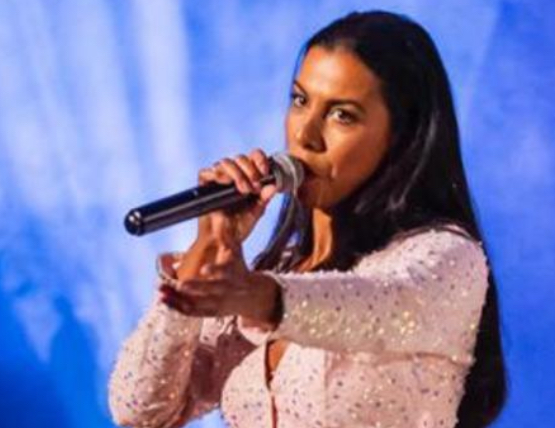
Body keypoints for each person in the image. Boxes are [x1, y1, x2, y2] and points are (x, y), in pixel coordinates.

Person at [108, 10, 507, 428]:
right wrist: (208, 248)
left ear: (402, 138)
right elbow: (141, 411)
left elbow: (372, 306)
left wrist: (256, 297)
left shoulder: (447, 259)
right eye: (300, 101)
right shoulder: (275, 271)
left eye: (342, 115)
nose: (305, 135)